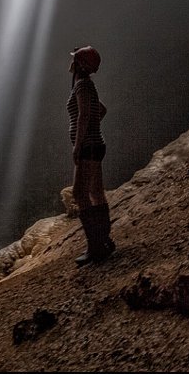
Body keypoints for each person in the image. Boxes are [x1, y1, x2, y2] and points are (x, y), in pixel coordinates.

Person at [67, 45, 115, 265]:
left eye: (74, 59)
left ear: (78, 64)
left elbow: (86, 112)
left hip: (88, 147)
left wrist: (78, 144)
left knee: (79, 193)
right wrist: (93, 129)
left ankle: (95, 247)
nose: (70, 62)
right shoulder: (86, 85)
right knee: (96, 192)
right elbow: (100, 110)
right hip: (96, 144)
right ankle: (104, 241)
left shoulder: (82, 85)